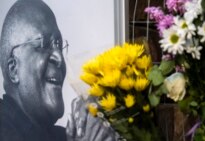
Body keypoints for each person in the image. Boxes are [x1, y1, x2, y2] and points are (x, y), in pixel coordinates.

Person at [0, 0, 118, 141]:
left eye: (59, 45)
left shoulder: (63, 136)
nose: (59, 57)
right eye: (42, 45)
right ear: (13, 69)